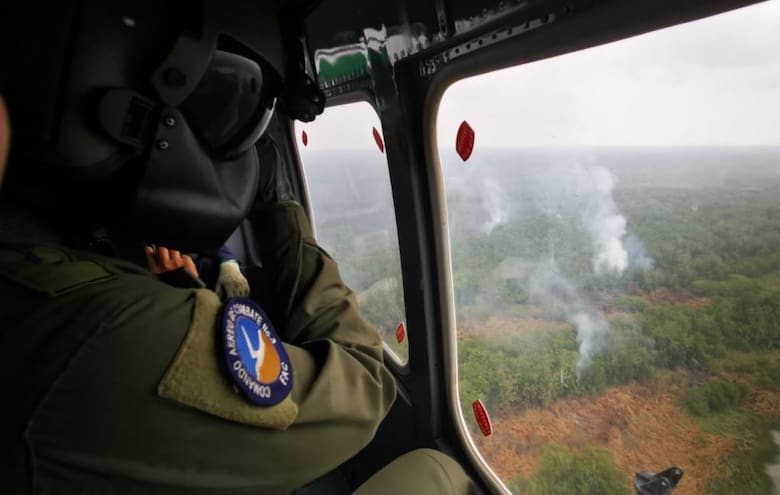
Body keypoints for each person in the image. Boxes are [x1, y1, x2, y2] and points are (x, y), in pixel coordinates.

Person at [0, 1, 476, 494]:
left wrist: (171, 290)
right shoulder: (105, 331)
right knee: (439, 474)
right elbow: (364, 381)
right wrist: (279, 204)